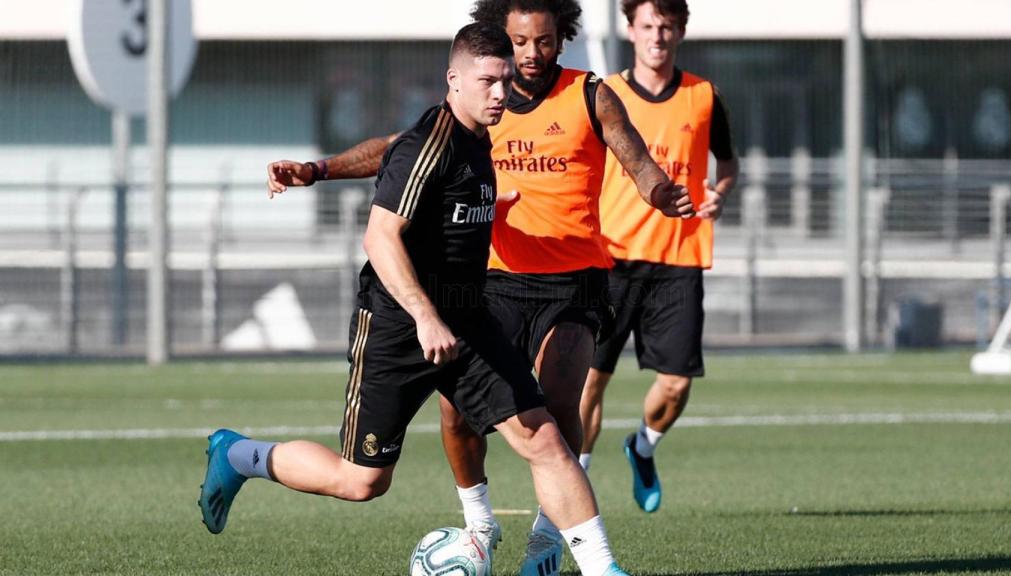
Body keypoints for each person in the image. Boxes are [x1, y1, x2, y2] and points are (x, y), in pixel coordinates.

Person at [267, 3, 691, 574]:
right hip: (484, 289)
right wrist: (319, 170)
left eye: (543, 41)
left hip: (573, 283)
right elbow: (391, 157)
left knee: (556, 411)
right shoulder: (464, 119)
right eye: (519, 43)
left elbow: (636, 157)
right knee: (426, 439)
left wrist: (659, 191)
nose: (530, 55)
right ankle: (479, 526)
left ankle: (555, 550)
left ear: (561, 39)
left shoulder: (587, 94)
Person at [578, 0, 739, 514]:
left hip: (679, 257)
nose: (657, 35)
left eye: (667, 26)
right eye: (648, 25)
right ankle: (573, 484)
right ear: (630, 30)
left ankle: (643, 446)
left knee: (675, 384)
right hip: (611, 258)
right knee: (588, 381)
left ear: (681, 31)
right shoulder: (605, 95)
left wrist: (721, 191)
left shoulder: (704, 96)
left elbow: (728, 162)